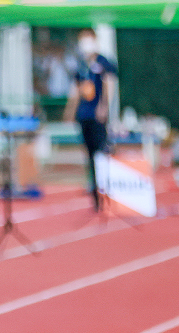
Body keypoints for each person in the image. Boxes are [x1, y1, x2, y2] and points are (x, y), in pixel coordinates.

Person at [64, 28, 117, 211]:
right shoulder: (81, 65)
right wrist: (70, 111)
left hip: (97, 116)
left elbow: (109, 84)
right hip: (84, 115)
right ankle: (95, 192)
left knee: (101, 151)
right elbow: (76, 89)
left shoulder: (104, 62)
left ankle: (108, 190)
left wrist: (104, 106)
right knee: (89, 155)